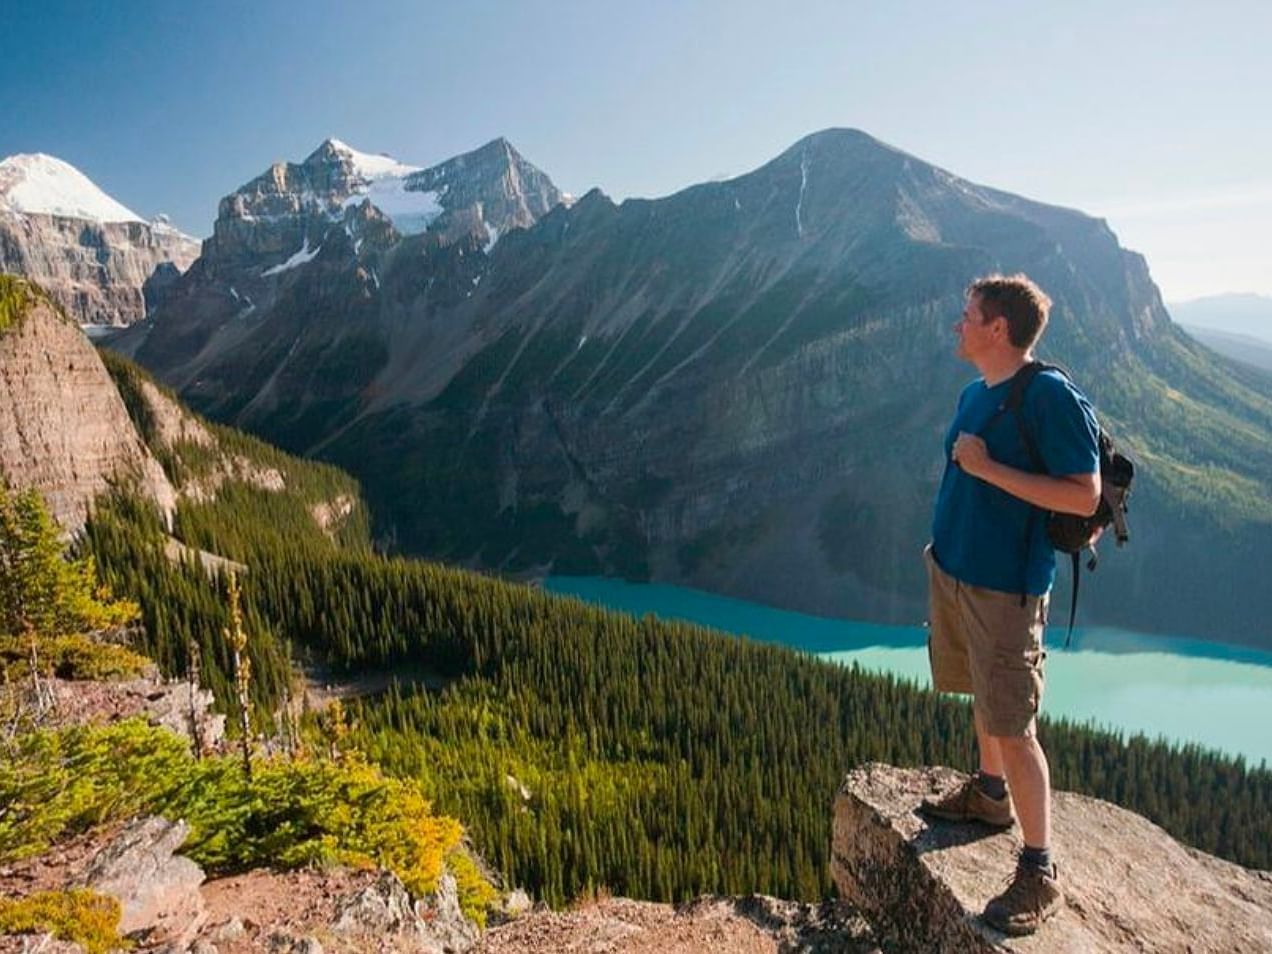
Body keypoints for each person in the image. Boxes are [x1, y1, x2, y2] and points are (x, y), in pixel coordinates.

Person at [919, 274, 1100, 936]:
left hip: (1007, 587)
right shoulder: (975, 392)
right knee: (985, 696)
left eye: (966, 315)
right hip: (958, 571)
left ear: (998, 330)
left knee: (1016, 724)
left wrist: (988, 468)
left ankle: (1039, 869)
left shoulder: (1049, 396)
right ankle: (990, 796)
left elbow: (1083, 495)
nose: (957, 325)